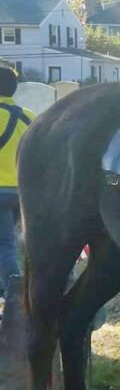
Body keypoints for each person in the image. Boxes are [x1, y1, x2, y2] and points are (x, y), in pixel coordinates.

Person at [0, 66, 33, 302]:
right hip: (25, 191)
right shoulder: (29, 116)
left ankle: (14, 294)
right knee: (26, 245)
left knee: (5, 245)